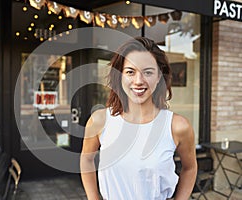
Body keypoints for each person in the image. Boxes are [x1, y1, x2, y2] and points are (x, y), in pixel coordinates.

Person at [80, 37, 197, 200]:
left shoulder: (177, 126)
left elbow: (190, 168)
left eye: (148, 72)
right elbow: (86, 159)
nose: (138, 81)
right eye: (130, 72)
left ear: (159, 77)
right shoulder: (100, 121)